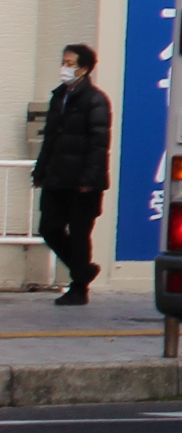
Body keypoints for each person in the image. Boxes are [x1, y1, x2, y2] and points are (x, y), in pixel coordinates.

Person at [34, 43, 111, 305]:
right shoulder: (59, 97)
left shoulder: (95, 100)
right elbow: (50, 139)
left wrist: (89, 178)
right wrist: (40, 170)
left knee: (80, 234)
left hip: (82, 182)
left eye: (70, 64)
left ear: (84, 68)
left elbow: (99, 143)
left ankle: (79, 288)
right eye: (63, 62)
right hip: (57, 177)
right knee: (49, 228)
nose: (64, 68)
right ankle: (83, 271)